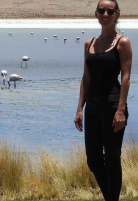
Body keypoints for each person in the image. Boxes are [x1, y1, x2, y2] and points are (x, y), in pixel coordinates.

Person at [74, 0, 132, 200]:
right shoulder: (89, 43)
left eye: (110, 11)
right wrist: (80, 108)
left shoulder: (122, 42)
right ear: (96, 14)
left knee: (112, 159)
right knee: (94, 159)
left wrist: (120, 110)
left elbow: (125, 78)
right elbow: (86, 78)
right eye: (101, 10)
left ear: (116, 14)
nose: (105, 14)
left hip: (113, 104)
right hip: (93, 106)